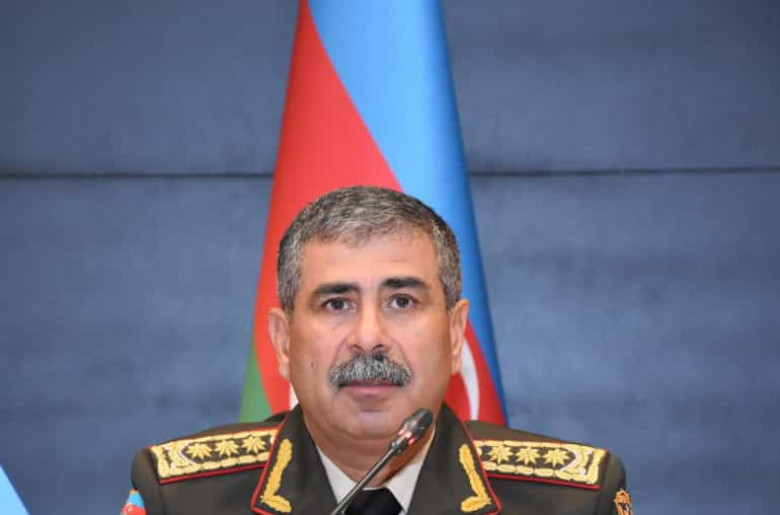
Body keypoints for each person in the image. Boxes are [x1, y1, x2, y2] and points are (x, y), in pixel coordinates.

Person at [122, 186, 634, 515]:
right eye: (337, 304)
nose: (369, 337)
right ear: (284, 342)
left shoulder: (570, 500)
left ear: (455, 334)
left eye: (402, 301)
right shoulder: (182, 498)